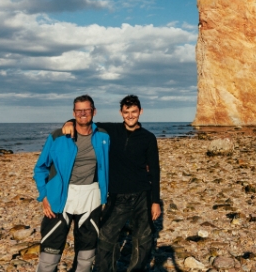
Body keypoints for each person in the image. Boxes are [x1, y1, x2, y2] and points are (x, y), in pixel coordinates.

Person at [64, 95, 161, 272]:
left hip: (142, 195)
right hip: (117, 195)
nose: (130, 115)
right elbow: (86, 121)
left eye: (134, 112)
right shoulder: (110, 131)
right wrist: (70, 121)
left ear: (140, 111)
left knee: (143, 240)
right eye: (126, 112)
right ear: (121, 113)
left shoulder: (148, 138)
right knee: (106, 240)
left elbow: (154, 171)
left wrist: (155, 201)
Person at [33, 95, 110, 272]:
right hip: (59, 198)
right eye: (79, 110)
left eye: (87, 109)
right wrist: (44, 196)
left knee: (86, 253)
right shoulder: (58, 136)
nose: (83, 113)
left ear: (94, 111)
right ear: (74, 113)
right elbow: (40, 168)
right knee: (50, 252)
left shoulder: (104, 136)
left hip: (92, 197)